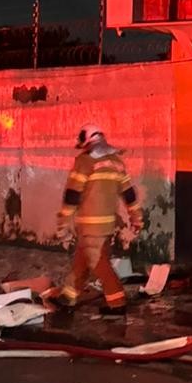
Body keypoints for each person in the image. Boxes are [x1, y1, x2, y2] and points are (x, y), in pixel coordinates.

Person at [55, 124, 143, 317]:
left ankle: (117, 302)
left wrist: (63, 223)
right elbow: (129, 194)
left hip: (89, 224)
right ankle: (68, 297)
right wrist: (137, 218)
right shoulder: (117, 163)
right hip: (107, 224)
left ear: (87, 143)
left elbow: (72, 195)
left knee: (98, 264)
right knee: (82, 259)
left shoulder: (85, 163)